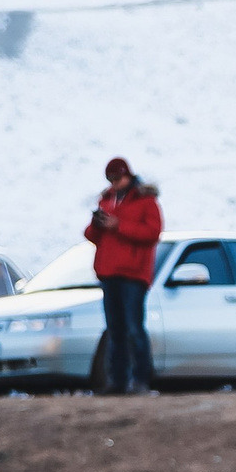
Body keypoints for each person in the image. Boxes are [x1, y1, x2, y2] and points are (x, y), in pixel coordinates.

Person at [85, 157, 163, 395]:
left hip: (133, 275)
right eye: (110, 179)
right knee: (115, 330)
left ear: (128, 175)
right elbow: (90, 235)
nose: (114, 183)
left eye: (117, 178)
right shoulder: (106, 199)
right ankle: (116, 382)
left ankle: (141, 380)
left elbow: (153, 232)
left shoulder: (145, 200)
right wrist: (98, 224)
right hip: (109, 273)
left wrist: (118, 225)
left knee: (133, 328)